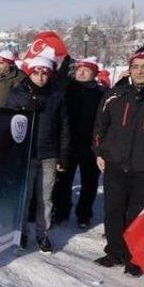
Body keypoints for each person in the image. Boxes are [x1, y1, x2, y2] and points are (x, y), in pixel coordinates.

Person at [6, 56, 70, 254]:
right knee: (25, 197)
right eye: (37, 72)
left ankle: (43, 235)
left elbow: (64, 127)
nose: (41, 77)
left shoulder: (57, 95)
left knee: (46, 198)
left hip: (49, 154)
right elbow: (8, 124)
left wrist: (63, 155)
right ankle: (22, 233)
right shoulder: (17, 94)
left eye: (45, 73)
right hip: (26, 153)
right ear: (30, 72)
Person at [93, 51, 144, 277]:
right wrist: (99, 153)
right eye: (136, 66)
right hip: (115, 164)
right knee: (113, 211)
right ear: (130, 68)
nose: (140, 71)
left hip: (142, 167)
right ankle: (115, 251)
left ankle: (135, 257)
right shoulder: (114, 95)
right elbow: (99, 127)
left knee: (137, 214)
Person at [52, 57, 104, 227]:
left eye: (86, 70)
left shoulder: (102, 93)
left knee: (89, 183)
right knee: (64, 180)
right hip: (69, 143)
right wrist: (65, 63)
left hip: (91, 145)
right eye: (79, 69)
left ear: (94, 73)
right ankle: (61, 212)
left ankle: (84, 214)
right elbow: (57, 82)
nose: (81, 72)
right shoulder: (68, 87)